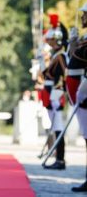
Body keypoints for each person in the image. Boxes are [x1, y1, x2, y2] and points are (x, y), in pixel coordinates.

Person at [41, 20, 68, 170]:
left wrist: (59, 93)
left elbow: (65, 75)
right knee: (55, 126)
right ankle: (58, 157)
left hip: (56, 94)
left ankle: (60, 159)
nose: (49, 42)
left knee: (58, 127)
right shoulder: (55, 54)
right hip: (51, 93)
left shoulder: (61, 55)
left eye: (51, 39)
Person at [67, 2, 87, 192]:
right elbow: (71, 58)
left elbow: (78, 56)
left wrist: (74, 43)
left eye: (85, 14)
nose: (82, 17)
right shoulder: (84, 38)